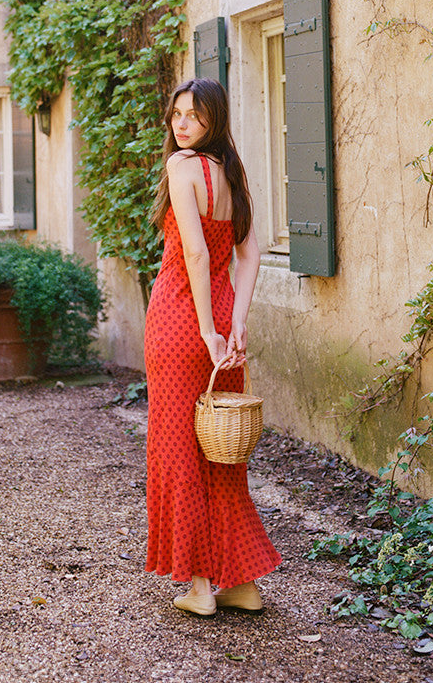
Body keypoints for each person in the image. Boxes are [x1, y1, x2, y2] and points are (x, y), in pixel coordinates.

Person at [145, 77, 281, 616]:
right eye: (176, 114)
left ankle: (201, 586)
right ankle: (241, 582)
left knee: (181, 448)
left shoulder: (182, 169)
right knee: (221, 451)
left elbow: (197, 256)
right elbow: (248, 256)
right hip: (222, 314)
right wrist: (235, 322)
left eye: (193, 116)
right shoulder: (233, 171)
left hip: (183, 318)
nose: (181, 124)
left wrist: (206, 329)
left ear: (214, 120)